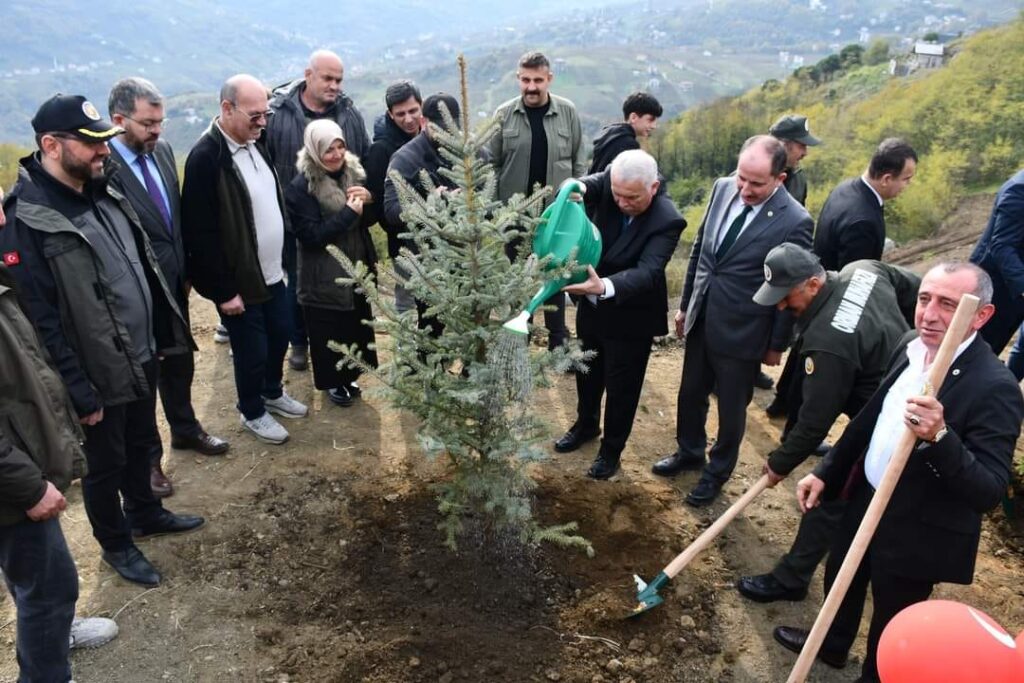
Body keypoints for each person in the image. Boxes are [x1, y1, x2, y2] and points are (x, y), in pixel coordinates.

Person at [774, 262, 1023, 682]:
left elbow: (988, 490)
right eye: (925, 298)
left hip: (919, 525)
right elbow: (869, 421)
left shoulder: (993, 386)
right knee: (843, 575)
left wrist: (940, 436)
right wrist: (827, 471)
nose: (928, 313)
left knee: (893, 617)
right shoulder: (909, 345)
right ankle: (831, 643)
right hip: (867, 495)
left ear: (981, 315)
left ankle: (876, 674)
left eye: (948, 304)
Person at [0, 94, 204, 587]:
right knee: (104, 463)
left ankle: (145, 512)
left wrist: (158, 332)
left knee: (140, 443)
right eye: (90, 144)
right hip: (93, 372)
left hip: (137, 355)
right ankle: (116, 544)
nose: (103, 152)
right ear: (51, 145)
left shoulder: (103, 190)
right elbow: (38, 321)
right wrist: (77, 387)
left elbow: (139, 266)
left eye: (104, 142)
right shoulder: (26, 219)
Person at [734, 244, 918, 604]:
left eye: (787, 297)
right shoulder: (864, 268)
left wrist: (778, 464)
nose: (782, 306)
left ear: (814, 284)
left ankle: (791, 579)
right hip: (899, 390)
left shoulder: (829, 343)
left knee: (829, 491)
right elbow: (913, 288)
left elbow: (814, 423)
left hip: (885, 421)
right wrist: (912, 339)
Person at [652, 135, 813, 506]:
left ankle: (716, 472)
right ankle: (689, 451)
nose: (745, 189)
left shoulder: (796, 221)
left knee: (731, 407)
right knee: (691, 392)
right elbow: (701, 251)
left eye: (757, 183)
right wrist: (686, 304)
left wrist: (776, 345)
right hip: (703, 313)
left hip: (745, 328)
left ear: (780, 179)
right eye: (742, 178)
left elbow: (791, 287)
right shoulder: (723, 188)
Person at [106, 77, 230, 501]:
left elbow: (173, 215)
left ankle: (185, 428)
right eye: (147, 123)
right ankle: (149, 463)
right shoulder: (103, 168)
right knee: (145, 376)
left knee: (179, 361)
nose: (157, 131)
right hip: (136, 292)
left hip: (174, 281)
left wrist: (187, 265)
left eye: (160, 121)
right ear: (118, 120)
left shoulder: (161, 151)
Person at [0, 263, 119, 682]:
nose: (1, 218)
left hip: (18, 470)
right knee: (50, 586)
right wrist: (29, 488)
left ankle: (54, 636)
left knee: (30, 574)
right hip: (12, 484)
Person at [182, 74, 308, 446]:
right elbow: (200, 233)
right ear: (226, 108)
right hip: (240, 282)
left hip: (273, 272)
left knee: (281, 332)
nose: (263, 121)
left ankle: (272, 391)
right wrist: (223, 291)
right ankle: (252, 410)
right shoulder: (207, 159)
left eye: (265, 113)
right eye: (255, 114)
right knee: (252, 350)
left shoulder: (256, 143)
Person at [555, 150, 685, 479]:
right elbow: (587, 185)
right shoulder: (614, 179)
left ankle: (611, 452)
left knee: (622, 389)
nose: (622, 202)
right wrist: (577, 187)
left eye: (632, 198)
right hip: (592, 307)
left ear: (653, 188)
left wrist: (605, 287)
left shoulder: (668, 219)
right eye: (617, 195)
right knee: (588, 372)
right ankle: (585, 426)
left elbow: (648, 272)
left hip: (631, 315)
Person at [266, 49, 371, 372]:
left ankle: (344, 356)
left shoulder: (348, 114)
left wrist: (363, 195)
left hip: (345, 219)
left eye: (339, 79)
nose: (334, 85)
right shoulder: (280, 115)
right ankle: (299, 342)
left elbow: (362, 156)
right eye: (327, 78)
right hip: (293, 216)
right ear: (308, 75)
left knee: (340, 286)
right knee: (300, 282)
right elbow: (267, 162)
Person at [488, 51, 585, 350]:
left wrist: (578, 194)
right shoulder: (504, 114)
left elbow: (579, 159)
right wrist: (494, 212)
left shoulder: (567, 112)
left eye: (538, 80)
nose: (531, 86)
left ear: (549, 79)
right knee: (519, 280)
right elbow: (491, 164)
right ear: (518, 78)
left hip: (557, 216)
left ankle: (559, 343)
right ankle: (519, 340)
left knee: (555, 275)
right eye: (526, 80)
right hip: (515, 216)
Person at [285, 120, 377, 408]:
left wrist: (369, 200)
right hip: (323, 274)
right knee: (329, 329)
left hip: (356, 268)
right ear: (314, 151)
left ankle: (350, 375)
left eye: (340, 147)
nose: (336, 154)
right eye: (328, 150)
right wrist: (349, 214)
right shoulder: (302, 187)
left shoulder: (353, 174)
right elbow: (310, 236)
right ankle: (333, 382)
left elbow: (369, 222)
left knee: (354, 324)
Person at [383, 92, 461, 336]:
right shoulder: (405, 158)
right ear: (424, 122)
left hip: (465, 256)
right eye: (438, 127)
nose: (445, 133)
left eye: (451, 127)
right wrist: (430, 203)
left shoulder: (471, 153)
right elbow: (391, 211)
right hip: (426, 258)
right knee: (433, 328)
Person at [363, 80, 423, 315]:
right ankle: (406, 349)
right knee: (407, 299)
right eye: (400, 114)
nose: (408, 119)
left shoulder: (432, 139)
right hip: (403, 241)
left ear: (421, 106)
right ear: (390, 114)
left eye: (412, 111)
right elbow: (378, 202)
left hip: (439, 238)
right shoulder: (382, 150)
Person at [813, 138, 918, 271]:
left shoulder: (844, 188)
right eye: (906, 179)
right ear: (886, 179)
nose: (908, 184)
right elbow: (854, 281)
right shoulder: (863, 223)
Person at [969, 168, 1024, 359]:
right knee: (976, 351)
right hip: (995, 290)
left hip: (1014, 292)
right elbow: (1002, 246)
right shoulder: (1018, 190)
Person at [587, 92, 662, 174]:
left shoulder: (609, 135)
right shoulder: (627, 144)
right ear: (633, 117)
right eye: (650, 120)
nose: (654, 126)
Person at [768, 114, 820, 207]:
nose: (805, 153)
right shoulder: (749, 177)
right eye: (801, 146)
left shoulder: (799, 180)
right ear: (783, 145)